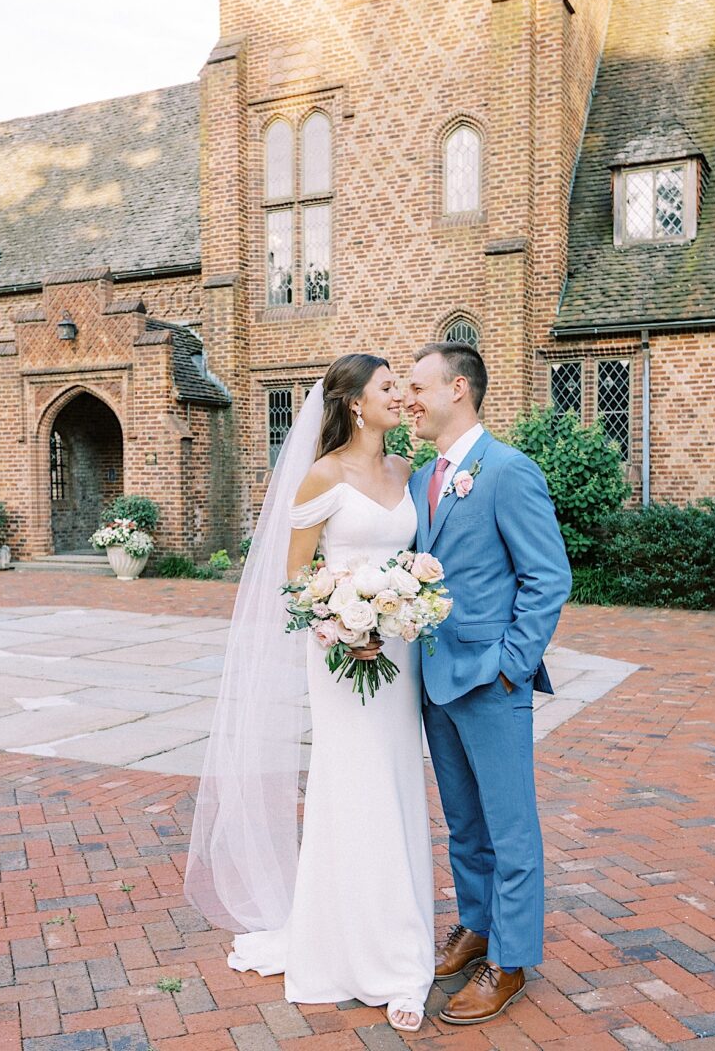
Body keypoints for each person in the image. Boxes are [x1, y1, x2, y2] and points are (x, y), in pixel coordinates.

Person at [186, 353, 434, 1032]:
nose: (399, 396)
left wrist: (400, 609)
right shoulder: (322, 476)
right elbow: (294, 581)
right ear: (355, 402)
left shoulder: (407, 472)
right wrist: (343, 625)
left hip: (400, 650)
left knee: (396, 781)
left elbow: (412, 560)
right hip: (340, 654)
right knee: (351, 783)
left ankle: (399, 939)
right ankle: (355, 949)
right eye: (388, 386)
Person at [403, 341, 572, 1025]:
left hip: (491, 681)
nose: (409, 398)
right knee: (464, 823)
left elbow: (547, 576)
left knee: (510, 828)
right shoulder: (420, 480)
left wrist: (511, 663)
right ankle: (474, 926)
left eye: (418, 386)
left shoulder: (507, 470)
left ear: (459, 389)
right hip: (434, 681)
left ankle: (510, 959)